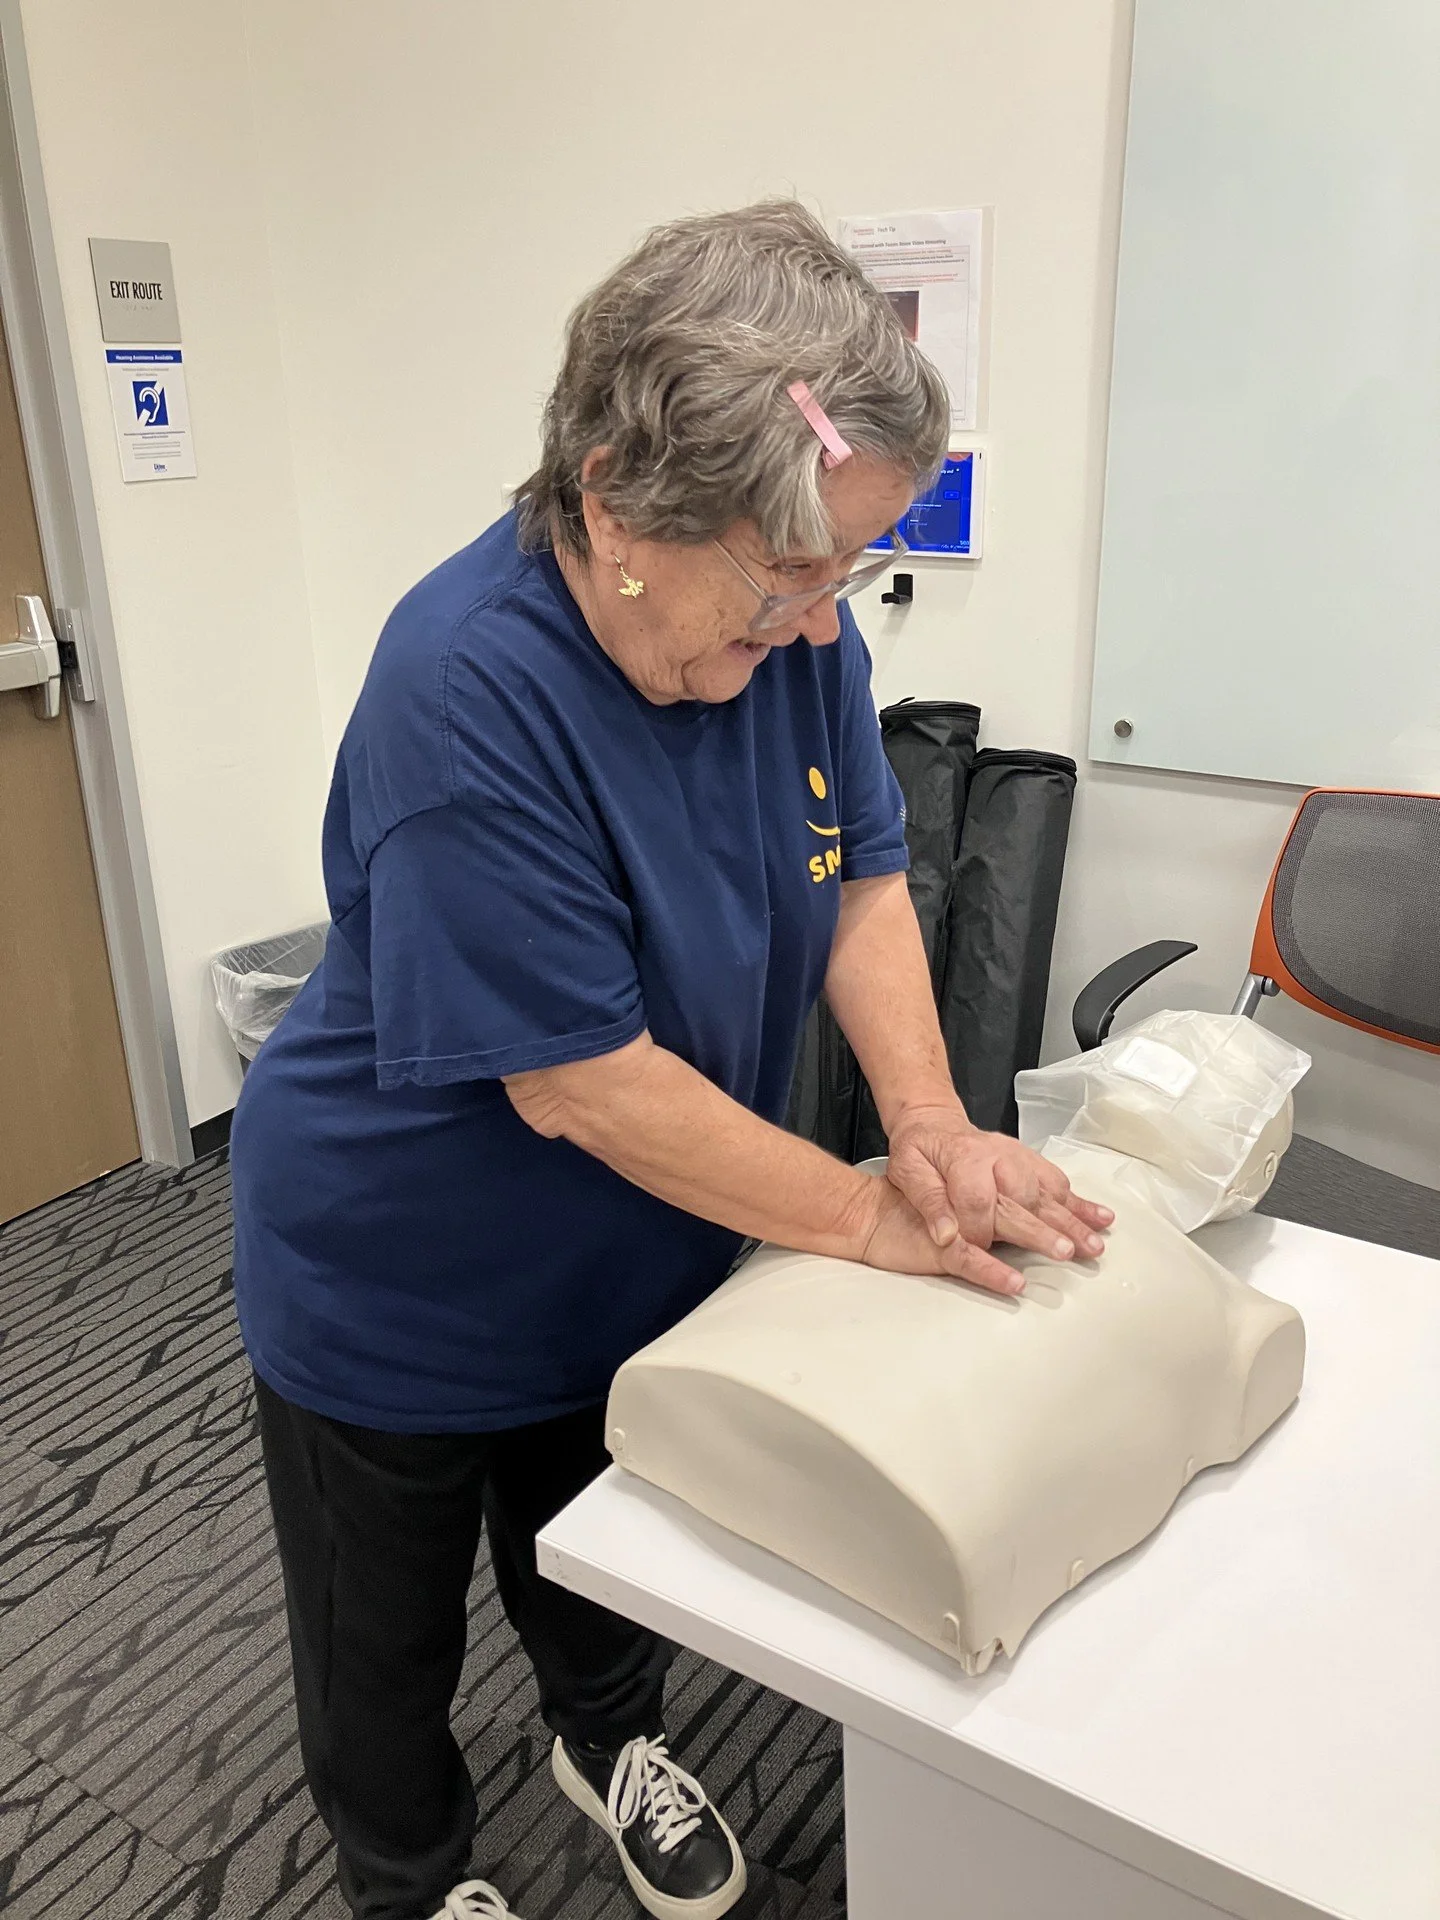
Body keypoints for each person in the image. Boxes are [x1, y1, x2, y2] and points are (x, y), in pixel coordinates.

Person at [230, 199, 1111, 1920]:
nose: (818, 622)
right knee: (382, 1636)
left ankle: (606, 1737)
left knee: (606, 1530)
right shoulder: (466, 689)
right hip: (397, 1266)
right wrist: (863, 1221)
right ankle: (408, 1878)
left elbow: (864, 878)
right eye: (790, 576)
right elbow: (578, 1083)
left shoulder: (795, 635)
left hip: (642, 1229)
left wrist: (926, 1122)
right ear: (622, 502)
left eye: (846, 575)